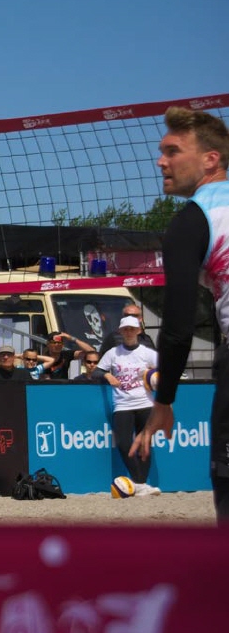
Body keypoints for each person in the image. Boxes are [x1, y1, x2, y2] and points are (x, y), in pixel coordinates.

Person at [132, 107, 229, 523]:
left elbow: (177, 326)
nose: (161, 161)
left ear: (211, 158)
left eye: (172, 150)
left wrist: (164, 400)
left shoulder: (194, 220)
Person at [98, 316, 160, 495]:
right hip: (122, 405)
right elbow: (97, 370)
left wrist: (154, 377)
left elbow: (163, 371)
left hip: (145, 403)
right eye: (125, 329)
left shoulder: (148, 353)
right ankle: (141, 485)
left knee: (145, 444)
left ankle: (141, 484)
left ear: (139, 331)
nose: (129, 332)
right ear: (120, 331)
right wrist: (107, 376)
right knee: (124, 444)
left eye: (132, 329)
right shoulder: (113, 353)